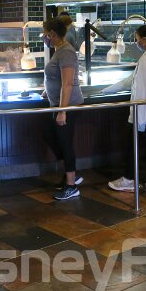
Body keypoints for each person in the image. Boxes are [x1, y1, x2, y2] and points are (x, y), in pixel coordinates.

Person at [104, 24, 146, 194]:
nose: (136, 42)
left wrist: (138, 118)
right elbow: (135, 80)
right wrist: (109, 89)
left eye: (137, 39)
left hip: (144, 112)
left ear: (145, 40)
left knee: (132, 145)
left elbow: (141, 88)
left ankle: (128, 180)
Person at [42, 17, 85, 200]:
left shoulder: (66, 52)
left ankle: (71, 185)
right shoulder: (58, 50)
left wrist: (62, 111)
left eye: (47, 34)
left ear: (54, 34)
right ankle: (71, 172)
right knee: (51, 136)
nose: (45, 38)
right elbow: (56, 77)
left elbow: (67, 84)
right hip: (57, 104)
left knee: (65, 143)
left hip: (68, 105)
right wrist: (47, 90)